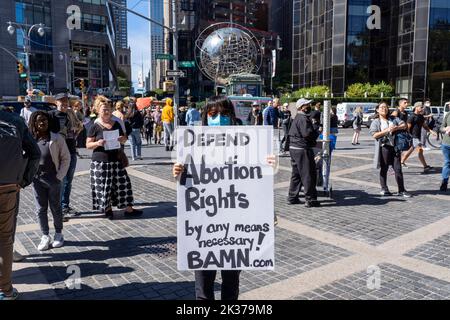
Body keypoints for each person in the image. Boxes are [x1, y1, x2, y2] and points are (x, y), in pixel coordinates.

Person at [172, 95, 276, 300]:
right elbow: (186, 181)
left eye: (223, 114)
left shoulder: (248, 143)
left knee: (231, 284)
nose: (218, 118)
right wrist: (177, 171)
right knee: (203, 287)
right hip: (202, 225)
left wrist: (269, 165)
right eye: (213, 114)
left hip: (235, 226)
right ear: (205, 116)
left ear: (231, 116)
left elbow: (257, 182)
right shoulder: (193, 143)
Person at [0, 106, 40, 300]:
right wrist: (23, 181)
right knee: (4, 239)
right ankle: (5, 290)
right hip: (7, 187)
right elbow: (35, 154)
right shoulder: (15, 120)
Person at [86, 97, 143, 220]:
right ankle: (108, 209)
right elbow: (88, 145)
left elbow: (124, 138)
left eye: (108, 109)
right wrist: (97, 143)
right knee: (104, 186)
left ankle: (129, 209)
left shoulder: (116, 123)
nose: (106, 112)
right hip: (100, 161)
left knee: (124, 183)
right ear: (98, 111)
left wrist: (122, 139)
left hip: (116, 159)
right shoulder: (94, 126)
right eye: (103, 110)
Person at [29, 111, 70, 251]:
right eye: (39, 121)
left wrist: (59, 176)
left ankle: (58, 234)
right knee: (40, 209)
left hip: (54, 179)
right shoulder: (31, 139)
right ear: (34, 123)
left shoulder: (57, 138)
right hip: (37, 179)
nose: (42, 123)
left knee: (56, 207)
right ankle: (45, 235)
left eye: (44, 120)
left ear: (49, 122)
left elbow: (66, 158)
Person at [50, 93, 83, 220]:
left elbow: (78, 126)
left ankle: (65, 206)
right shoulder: (52, 115)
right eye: (61, 101)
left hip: (71, 150)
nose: (64, 103)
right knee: (60, 181)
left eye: (66, 101)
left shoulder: (70, 113)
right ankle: (58, 209)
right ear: (56, 102)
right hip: (58, 153)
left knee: (68, 181)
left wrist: (76, 130)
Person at [369, 102, 411, 197]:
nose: (384, 109)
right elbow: (374, 134)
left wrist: (396, 128)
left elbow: (404, 125)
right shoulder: (376, 122)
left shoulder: (393, 119)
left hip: (395, 147)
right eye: (382, 107)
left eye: (386, 107)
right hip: (384, 147)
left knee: (398, 169)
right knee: (384, 168)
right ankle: (384, 189)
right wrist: (387, 130)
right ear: (377, 110)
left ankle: (401, 190)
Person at [287, 98, 321, 208]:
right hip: (302, 148)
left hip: (294, 148)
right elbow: (307, 134)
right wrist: (316, 130)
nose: (309, 106)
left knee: (296, 174)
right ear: (302, 107)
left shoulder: (297, 117)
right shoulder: (303, 118)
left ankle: (292, 197)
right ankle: (310, 199)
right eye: (307, 105)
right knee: (308, 174)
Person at [401, 102, 437, 172]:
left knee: (411, 150)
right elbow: (408, 128)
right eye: (421, 107)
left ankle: (402, 161)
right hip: (413, 137)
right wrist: (407, 137)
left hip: (418, 136)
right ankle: (425, 166)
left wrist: (431, 131)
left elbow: (425, 126)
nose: (422, 108)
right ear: (416, 107)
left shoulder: (421, 117)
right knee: (420, 150)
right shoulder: (411, 117)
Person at [440, 111, 450, 191]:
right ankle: (444, 182)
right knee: (447, 162)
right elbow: (441, 127)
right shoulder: (448, 114)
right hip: (446, 143)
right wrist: (445, 129)